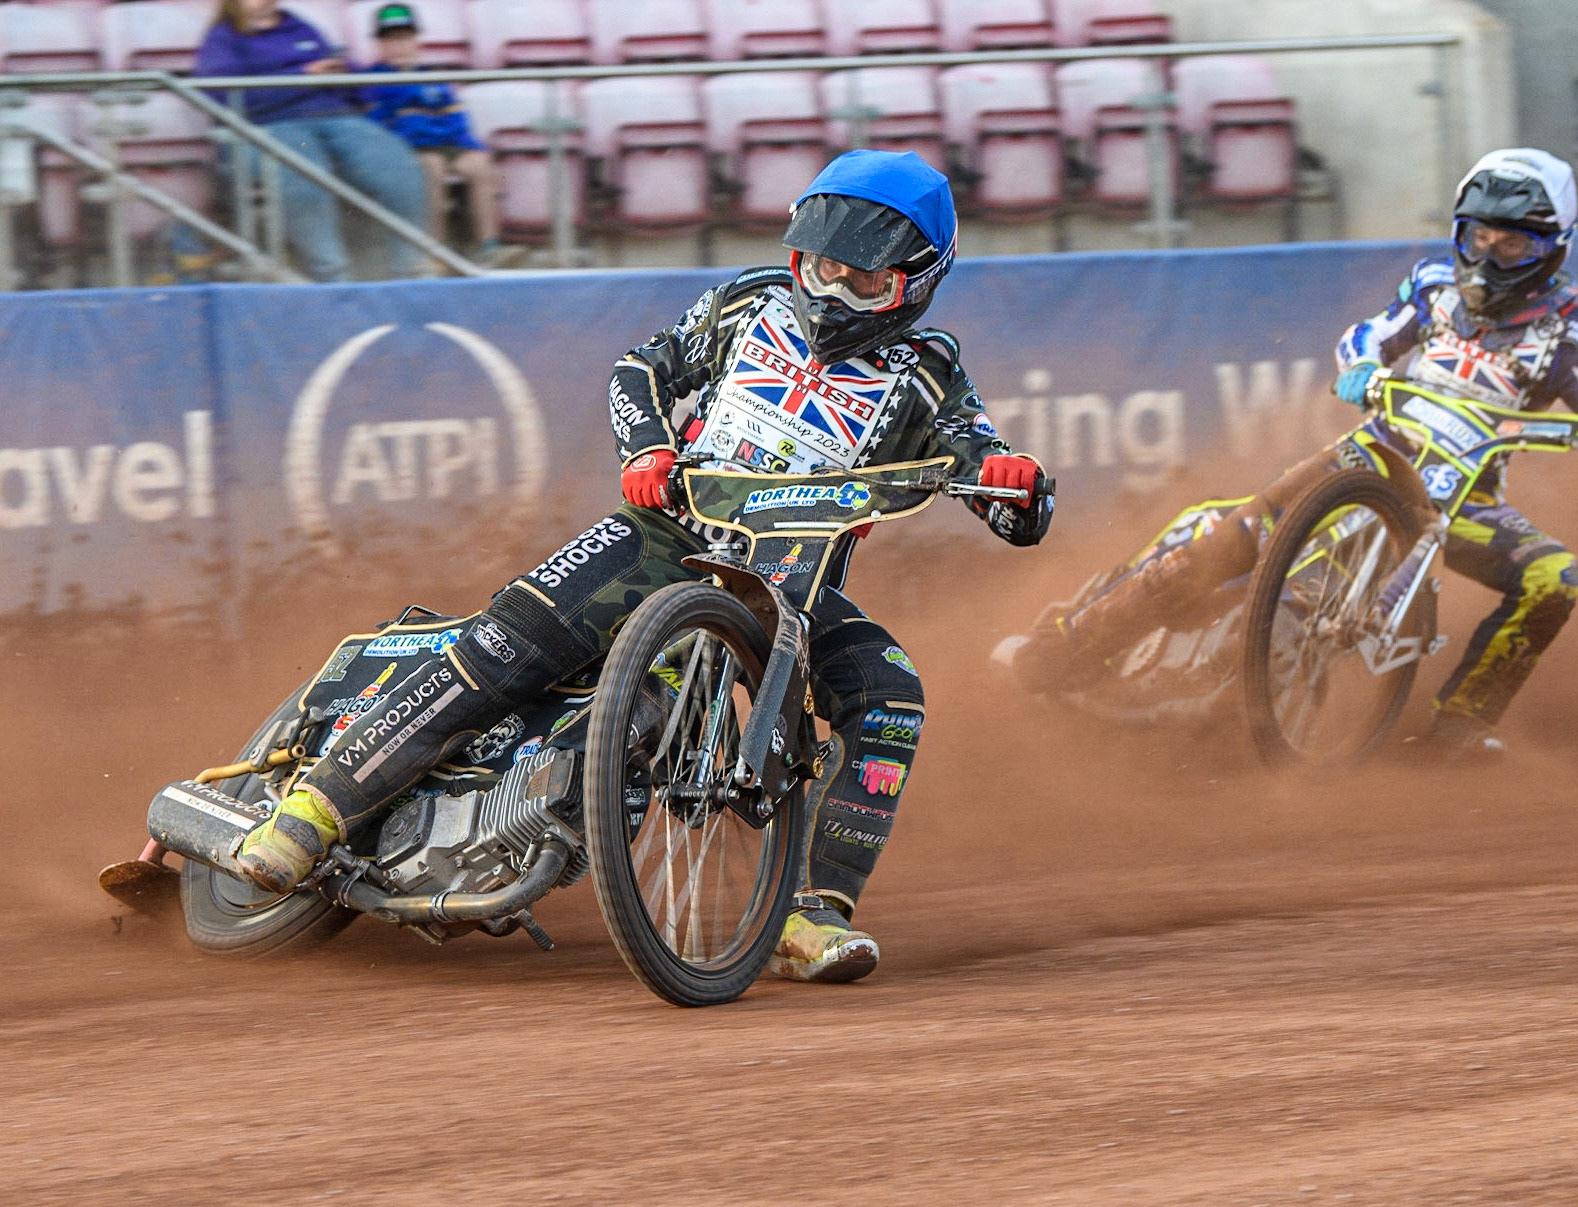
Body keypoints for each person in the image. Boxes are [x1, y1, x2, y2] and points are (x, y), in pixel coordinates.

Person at [234, 150, 1054, 983]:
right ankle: (315, 808)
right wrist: (649, 446)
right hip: (662, 532)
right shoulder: (747, 302)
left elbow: (984, 467)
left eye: (863, 281)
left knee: (891, 695)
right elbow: (643, 368)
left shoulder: (931, 371)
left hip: (793, 586)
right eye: (822, 267)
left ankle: (813, 915)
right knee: (503, 643)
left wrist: (1014, 488)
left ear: (917, 282)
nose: (833, 291)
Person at [1004, 148, 1578, 756]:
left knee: (1555, 576)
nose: (1490, 258)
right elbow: (1367, 337)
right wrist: (1360, 367)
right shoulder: (1434, 288)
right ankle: (1071, 646)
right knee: (1229, 536)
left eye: (1514, 242)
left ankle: (1461, 725)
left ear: (1553, 248)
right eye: (1478, 238)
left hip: (1462, 501)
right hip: (1367, 460)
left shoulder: (1570, 334)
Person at [195, 0, 428, 282]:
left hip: (336, 115)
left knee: (397, 165)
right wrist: (303, 76)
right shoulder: (222, 38)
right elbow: (222, 97)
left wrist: (346, 73)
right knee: (301, 177)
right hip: (267, 123)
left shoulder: (299, 25)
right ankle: (334, 277)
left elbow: (355, 84)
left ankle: (408, 271)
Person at [361, 3, 507, 265]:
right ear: (380, 45)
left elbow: (456, 118)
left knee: (481, 165)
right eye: (392, 40)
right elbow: (377, 124)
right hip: (410, 147)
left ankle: (489, 248)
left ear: (417, 42)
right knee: (432, 167)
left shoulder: (433, 78)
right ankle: (433, 252)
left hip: (446, 143)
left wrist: (469, 146)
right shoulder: (372, 81)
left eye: (405, 39)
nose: (400, 47)